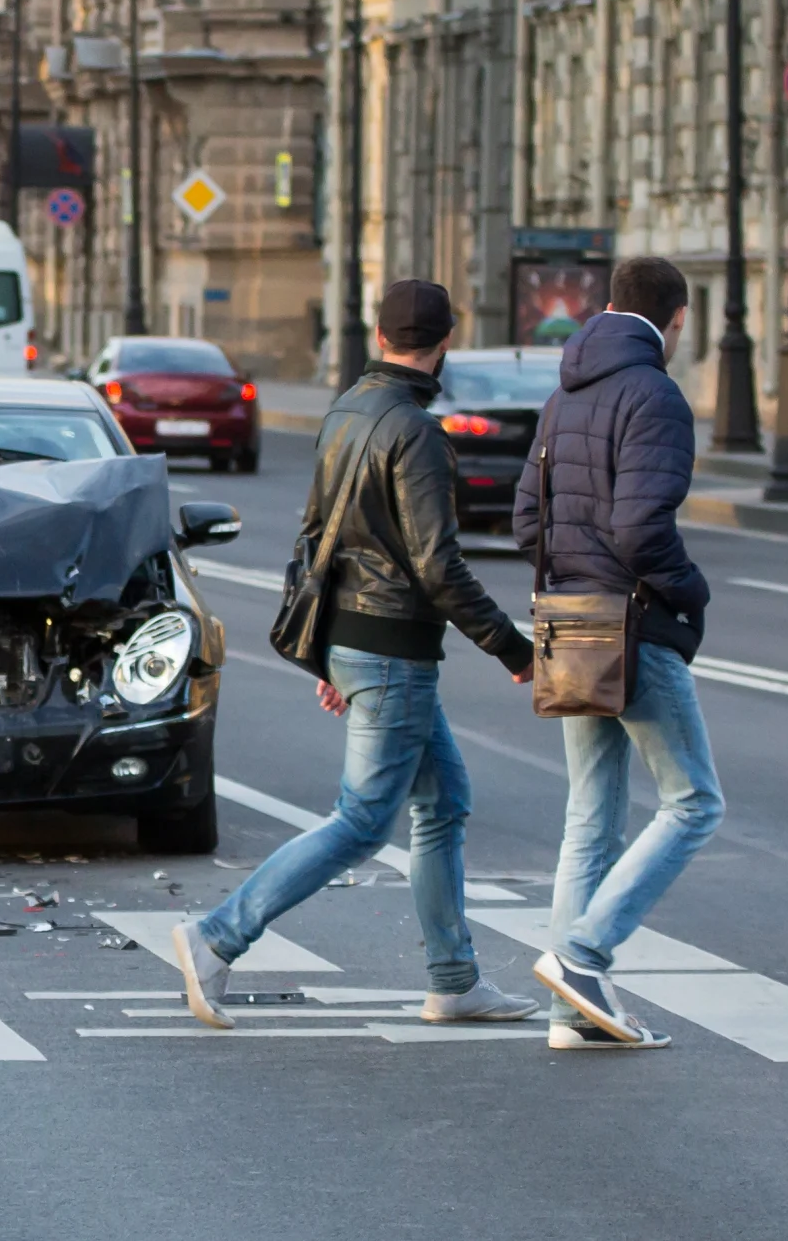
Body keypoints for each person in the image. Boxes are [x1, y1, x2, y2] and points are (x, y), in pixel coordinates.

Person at [174, 280, 539, 1030]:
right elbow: (438, 567)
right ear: (446, 343)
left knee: (444, 801)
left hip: (358, 641)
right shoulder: (419, 432)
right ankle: (216, 935)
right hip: (390, 649)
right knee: (364, 820)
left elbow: (316, 539)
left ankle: (455, 979)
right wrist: (512, 646)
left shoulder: (346, 409)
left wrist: (327, 655)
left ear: (377, 335)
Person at [513, 255, 722, 1050]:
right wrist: (688, 588)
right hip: (633, 621)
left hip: (568, 620)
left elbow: (527, 519)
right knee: (694, 802)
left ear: (606, 307)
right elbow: (641, 527)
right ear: (677, 320)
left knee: (591, 816)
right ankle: (584, 954)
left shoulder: (566, 389)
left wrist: (567, 584)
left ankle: (575, 1013)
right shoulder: (655, 393)